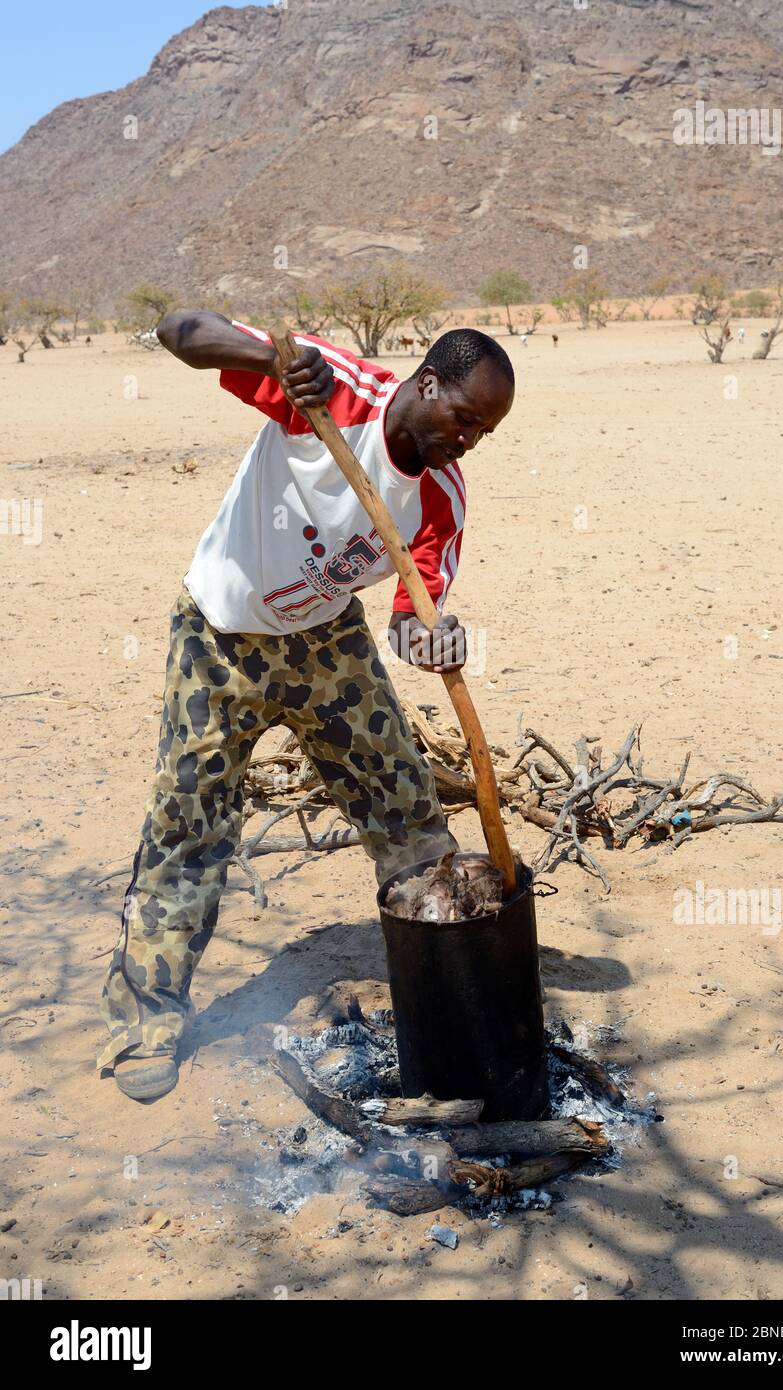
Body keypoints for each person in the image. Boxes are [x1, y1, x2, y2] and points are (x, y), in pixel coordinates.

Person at [97, 313, 515, 1101]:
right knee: (188, 827)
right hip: (218, 632)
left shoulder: (441, 500)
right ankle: (143, 1026)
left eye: (483, 433)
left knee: (408, 816)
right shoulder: (331, 389)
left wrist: (434, 642)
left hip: (327, 643)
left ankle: (446, 993)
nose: (466, 443)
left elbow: (407, 625)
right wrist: (274, 362)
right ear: (425, 384)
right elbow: (176, 329)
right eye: (463, 419)